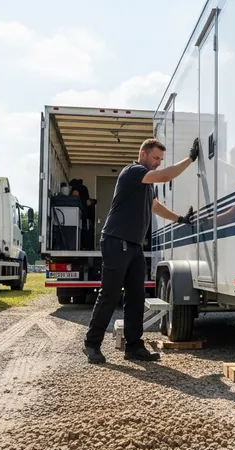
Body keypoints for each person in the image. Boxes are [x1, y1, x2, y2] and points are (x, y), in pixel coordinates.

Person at [83, 137, 200, 363]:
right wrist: (191, 159)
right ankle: (92, 344)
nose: (157, 162)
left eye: (160, 159)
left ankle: (134, 346)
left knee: (136, 297)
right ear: (143, 154)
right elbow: (166, 175)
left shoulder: (145, 184)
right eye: (156, 158)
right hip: (116, 241)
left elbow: (156, 206)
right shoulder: (133, 172)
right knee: (110, 294)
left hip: (134, 244)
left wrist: (180, 219)